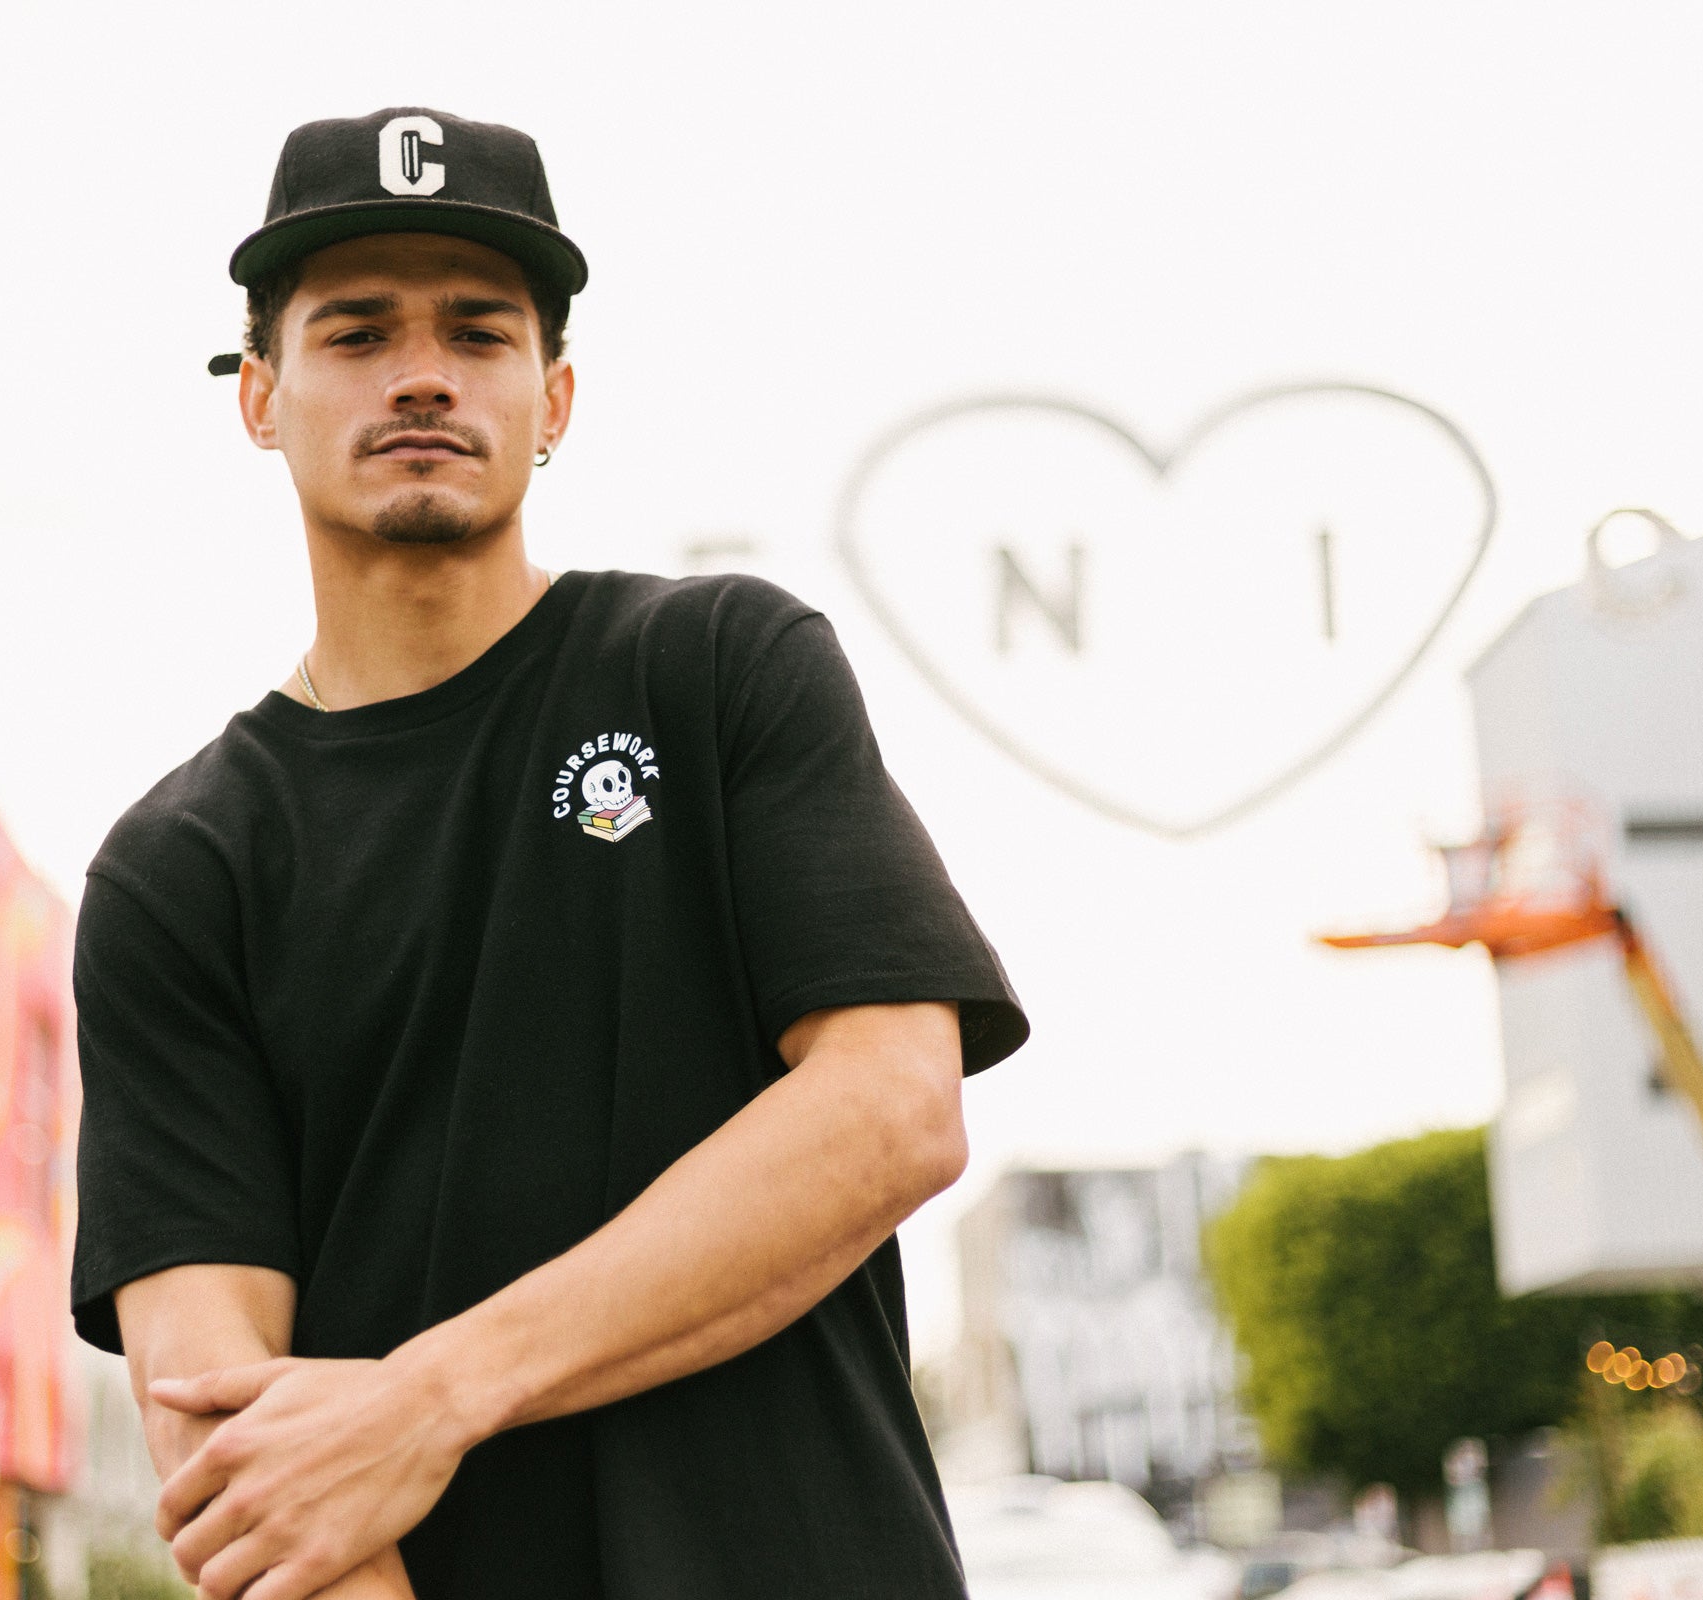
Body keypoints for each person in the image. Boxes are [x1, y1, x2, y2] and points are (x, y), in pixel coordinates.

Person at [70, 107, 1030, 1600]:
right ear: (258, 394)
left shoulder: (716, 669)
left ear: (555, 395)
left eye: (479, 330)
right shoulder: (181, 866)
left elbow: (893, 1110)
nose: (424, 373)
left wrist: (436, 1396)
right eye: (356, 332)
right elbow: (221, 1431)